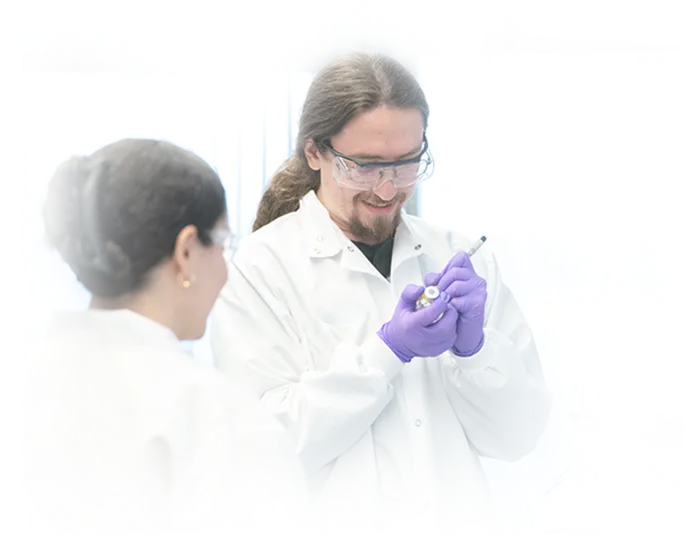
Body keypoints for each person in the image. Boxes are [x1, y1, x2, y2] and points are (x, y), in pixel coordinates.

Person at [210, 49, 553, 530]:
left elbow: (519, 436)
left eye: (407, 164)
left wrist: (475, 352)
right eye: (365, 167)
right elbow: (261, 450)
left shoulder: (459, 259)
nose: (388, 190)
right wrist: (387, 352)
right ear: (315, 152)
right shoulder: (260, 269)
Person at [22, 139, 308, 534]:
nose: (226, 271)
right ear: (186, 250)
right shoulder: (216, 415)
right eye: (223, 244)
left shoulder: (30, 379)